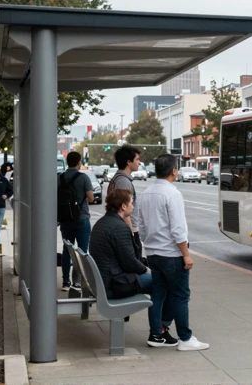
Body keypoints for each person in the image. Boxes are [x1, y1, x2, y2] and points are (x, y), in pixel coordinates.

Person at [138, 154, 209, 351]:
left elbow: (140, 227)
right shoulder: (173, 194)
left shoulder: (145, 194)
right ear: (174, 171)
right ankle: (185, 338)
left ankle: (156, 335)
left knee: (159, 294)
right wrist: (186, 253)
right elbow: (178, 229)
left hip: (153, 253)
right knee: (180, 295)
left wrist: (150, 243)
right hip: (171, 254)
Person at [90, 188, 178, 347]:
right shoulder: (120, 227)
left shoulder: (102, 223)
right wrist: (147, 269)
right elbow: (130, 263)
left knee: (160, 280)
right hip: (114, 284)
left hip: (104, 280)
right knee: (164, 282)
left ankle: (160, 329)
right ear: (123, 206)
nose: (133, 206)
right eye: (131, 203)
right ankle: (159, 332)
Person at [59, 152, 94, 291]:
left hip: (65, 219)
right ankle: (77, 282)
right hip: (82, 218)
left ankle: (65, 282)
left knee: (67, 249)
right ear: (79, 162)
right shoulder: (83, 177)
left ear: (67, 162)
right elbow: (91, 198)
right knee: (82, 250)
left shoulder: (60, 177)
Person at [107, 145, 143, 260]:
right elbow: (123, 209)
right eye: (137, 159)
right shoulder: (123, 182)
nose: (140, 163)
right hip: (127, 230)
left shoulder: (120, 179)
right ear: (128, 162)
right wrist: (131, 232)